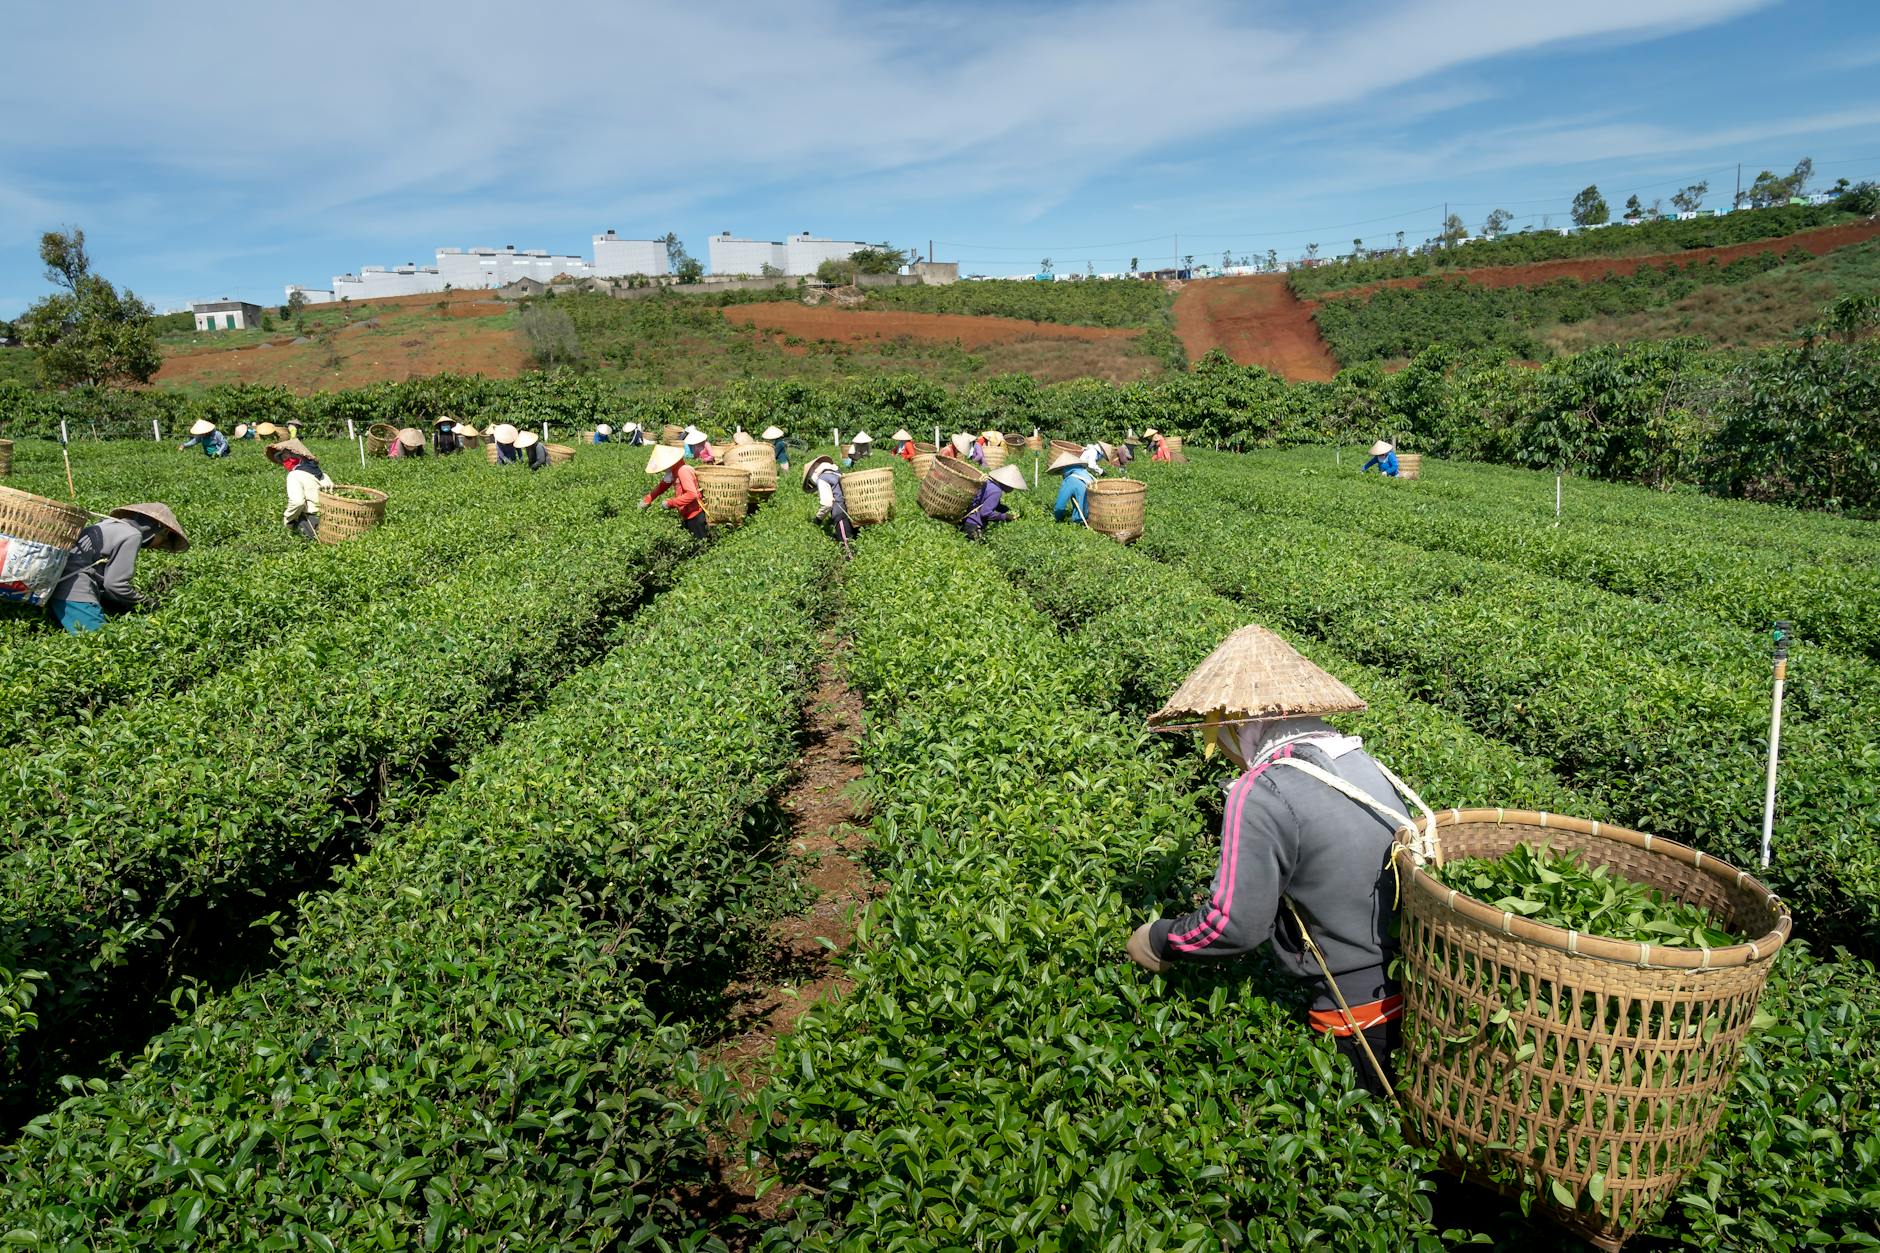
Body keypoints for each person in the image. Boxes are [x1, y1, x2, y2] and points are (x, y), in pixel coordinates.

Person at [1129, 625, 1424, 1100]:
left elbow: (1233, 926)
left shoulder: (1263, 790)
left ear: (1235, 725)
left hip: (1351, 1020)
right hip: (1412, 988)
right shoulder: (1359, 763)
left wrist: (1158, 939)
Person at [42, 503, 189, 633]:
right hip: (75, 594)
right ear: (159, 530)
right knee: (102, 647)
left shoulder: (108, 524)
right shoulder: (132, 535)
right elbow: (115, 585)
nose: (157, 546)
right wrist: (147, 603)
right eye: (163, 540)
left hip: (52, 587)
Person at [269, 438, 334, 540]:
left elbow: (297, 502)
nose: (285, 461)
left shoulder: (294, 475)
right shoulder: (323, 474)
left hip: (312, 521)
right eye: (283, 458)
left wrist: (287, 519)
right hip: (332, 518)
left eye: (287, 456)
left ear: (297, 455)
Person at [641, 443, 707, 539]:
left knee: (701, 547)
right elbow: (661, 487)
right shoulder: (674, 473)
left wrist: (670, 503)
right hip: (687, 515)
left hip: (695, 516)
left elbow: (692, 495)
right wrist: (648, 499)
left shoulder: (683, 471)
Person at [801, 454, 854, 559]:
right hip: (852, 510)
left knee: (847, 547)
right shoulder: (838, 473)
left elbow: (827, 503)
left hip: (840, 514)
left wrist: (818, 519)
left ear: (814, 471)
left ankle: (852, 566)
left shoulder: (823, 478)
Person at [962, 464, 1026, 541]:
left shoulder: (988, 483)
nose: (1012, 489)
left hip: (966, 521)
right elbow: (985, 513)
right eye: (1012, 486)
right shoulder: (996, 491)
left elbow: (985, 500)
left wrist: (1003, 508)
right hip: (974, 524)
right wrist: (1004, 517)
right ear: (1006, 484)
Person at [1049, 450, 1101, 523]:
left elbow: (1059, 507)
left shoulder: (1070, 480)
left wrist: (1058, 519)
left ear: (1064, 469)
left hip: (1082, 520)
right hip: (1096, 517)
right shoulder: (1087, 475)